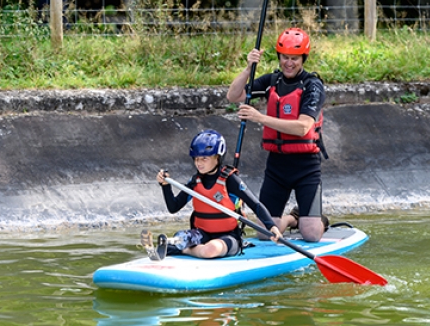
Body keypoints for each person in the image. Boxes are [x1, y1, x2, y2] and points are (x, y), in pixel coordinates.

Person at [226, 27, 328, 242]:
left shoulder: (313, 86)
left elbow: (302, 127)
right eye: (285, 58)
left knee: (311, 235)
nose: (289, 63)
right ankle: (292, 219)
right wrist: (248, 68)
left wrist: (259, 117)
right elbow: (233, 96)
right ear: (279, 57)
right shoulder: (272, 81)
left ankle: (312, 221)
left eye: (294, 58)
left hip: (306, 167)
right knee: (264, 232)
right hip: (277, 166)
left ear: (303, 59)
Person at [141, 129, 282, 260]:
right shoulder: (195, 181)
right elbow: (174, 207)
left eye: (204, 159)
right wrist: (165, 186)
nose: (199, 163)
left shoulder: (230, 180)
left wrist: (272, 227)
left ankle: (182, 250)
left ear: (217, 158)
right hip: (201, 234)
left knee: (210, 250)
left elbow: (255, 205)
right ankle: (176, 246)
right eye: (196, 159)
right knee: (181, 237)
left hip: (228, 237)